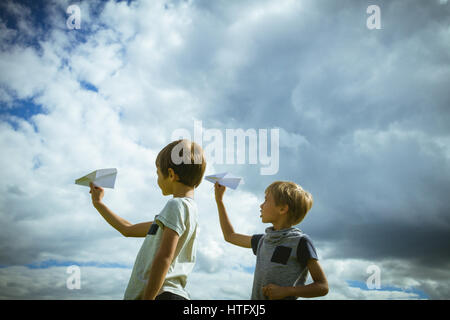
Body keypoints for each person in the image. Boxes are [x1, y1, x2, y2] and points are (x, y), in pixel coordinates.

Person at [89, 139, 206, 300]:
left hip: (162, 295)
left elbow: (165, 256)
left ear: (171, 175)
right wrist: (98, 203)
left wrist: (148, 298)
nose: (157, 179)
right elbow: (128, 229)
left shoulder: (176, 205)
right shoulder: (185, 211)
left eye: (157, 173)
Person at [214, 180, 328, 300]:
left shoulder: (300, 242)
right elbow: (230, 236)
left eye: (266, 200)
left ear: (282, 209)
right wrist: (219, 200)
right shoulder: (262, 240)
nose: (261, 205)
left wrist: (286, 291)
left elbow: (322, 286)